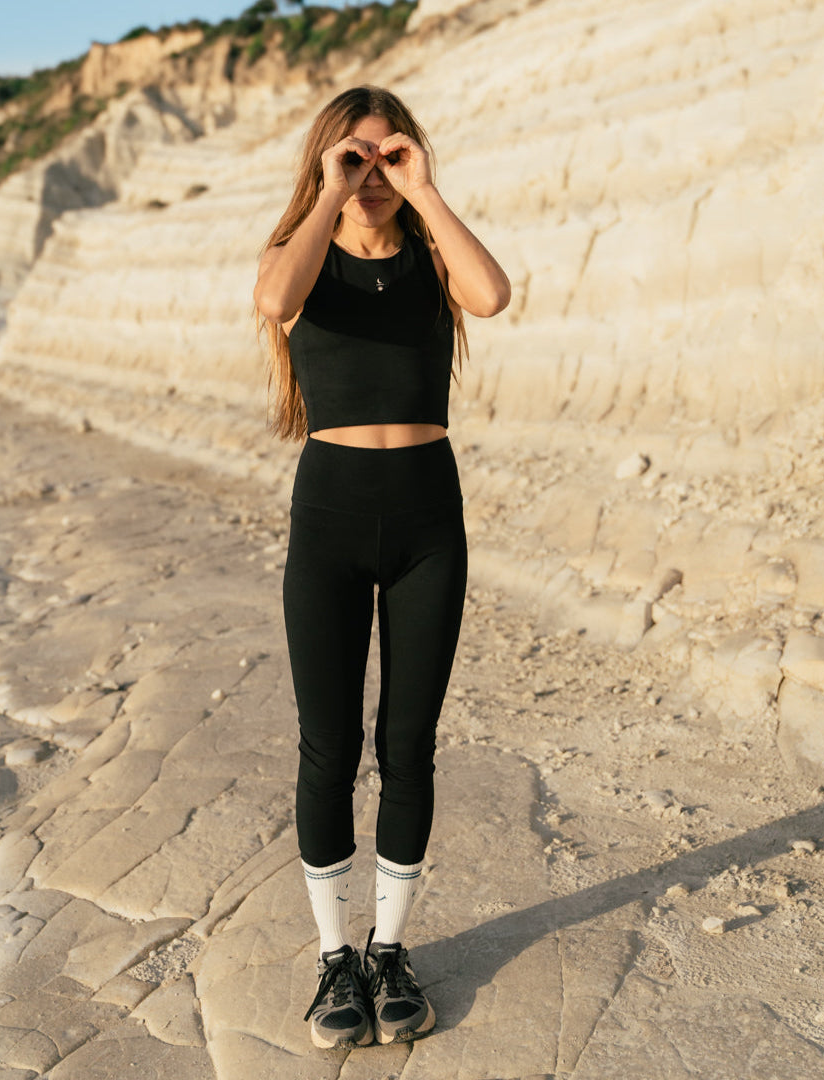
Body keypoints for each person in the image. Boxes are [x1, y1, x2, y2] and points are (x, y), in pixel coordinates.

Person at [253, 85, 510, 1050]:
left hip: (426, 521)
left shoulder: (431, 256)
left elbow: (493, 296)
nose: (370, 175)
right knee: (329, 748)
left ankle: (388, 951)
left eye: (383, 157)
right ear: (325, 164)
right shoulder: (303, 259)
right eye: (350, 158)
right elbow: (273, 301)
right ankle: (334, 964)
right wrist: (330, 194)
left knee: (410, 747)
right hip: (329, 518)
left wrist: (426, 193)